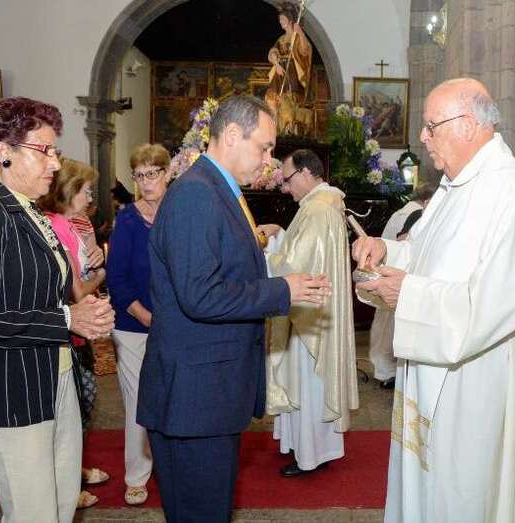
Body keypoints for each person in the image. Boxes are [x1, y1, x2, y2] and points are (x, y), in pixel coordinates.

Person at [352, 78, 515, 522]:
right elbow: (428, 255)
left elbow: (505, 299)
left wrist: (409, 294)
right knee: (428, 483)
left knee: (461, 489)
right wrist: (387, 252)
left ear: (468, 124)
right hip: (430, 356)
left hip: (475, 373)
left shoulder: (512, 189)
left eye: (431, 125)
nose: (423, 137)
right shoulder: (453, 186)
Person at [137, 95, 331, 522]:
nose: (268, 160)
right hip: (195, 395)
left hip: (208, 391)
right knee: (201, 512)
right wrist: (281, 291)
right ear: (230, 135)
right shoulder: (197, 194)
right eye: (263, 147)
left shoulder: (218, 190)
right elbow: (200, 295)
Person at [0, 96, 115, 522]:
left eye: (55, 150)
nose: (55, 163)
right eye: (44, 150)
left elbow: (44, 293)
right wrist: (69, 318)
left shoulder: (33, 212)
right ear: (4, 152)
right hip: (12, 392)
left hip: (56, 376)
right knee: (34, 515)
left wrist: (85, 309)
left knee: (62, 506)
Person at [258, 149, 359, 477]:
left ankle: (311, 454)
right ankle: (308, 447)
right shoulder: (324, 204)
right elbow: (305, 250)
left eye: (288, 180)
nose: (286, 188)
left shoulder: (317, 209)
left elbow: (296, 264)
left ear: (304, 173)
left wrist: (262, 255)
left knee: (308, 382)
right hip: (316, 312)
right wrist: (280, 233)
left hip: (309, 318)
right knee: (309, 383)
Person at [37, 158, 111, 510]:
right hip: (66, 331)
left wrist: (95, 258)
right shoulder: (56, 226)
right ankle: (66, 482)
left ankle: (71, 472)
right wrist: (102, 273)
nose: (90, 197)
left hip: (77, 332)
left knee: (81, 404)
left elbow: (84, 269)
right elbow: (78, 291)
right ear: (68, 191)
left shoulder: (73, 224)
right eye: (86, 191)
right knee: (76, 406)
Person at [107, 143, 172, 506]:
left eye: (152, 173)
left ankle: (167, 463)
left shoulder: (177, 214)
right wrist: (147, 316)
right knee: (138, 402)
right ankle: (136, 475)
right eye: (139, 175)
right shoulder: (128, 220)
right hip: (132, 327)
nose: (146, 182)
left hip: (174, 325)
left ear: (167, 173)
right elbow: (117, 280)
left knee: (171, 398)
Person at [369, 185, 434, 389]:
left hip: (395, 277)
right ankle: (388, 371)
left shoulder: (402, 212)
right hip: (397, 279)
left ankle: (384, 370)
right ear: (426, 200)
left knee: (384, 329)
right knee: (389, 330)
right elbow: (403, 241)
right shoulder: (415, 214)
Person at [265, 1, 313, 135]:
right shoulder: (281, 39)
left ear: (290, 20)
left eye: (282, 19)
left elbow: (305, 51)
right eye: (280, 19)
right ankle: (275, 128)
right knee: (273, 98)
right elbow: (272, 53)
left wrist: (301, 34)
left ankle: (289, 130)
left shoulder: (296, 37)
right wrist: (276, 64)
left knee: (289, 101)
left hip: (292, 73)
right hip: (280, 72)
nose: (280, 22)